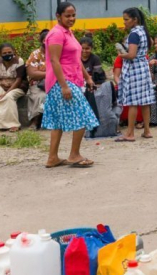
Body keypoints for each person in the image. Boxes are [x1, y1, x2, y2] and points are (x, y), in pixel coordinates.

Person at [42, 2, 99, 168]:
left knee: (58, 121)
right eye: (67, 15)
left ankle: (52, 158)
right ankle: (74, 155)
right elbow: (54, 60)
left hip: (70, 79)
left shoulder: (68, 33)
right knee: (83, 115)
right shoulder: (56, 34)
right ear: (58, 16)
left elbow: (75, 59)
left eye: (73, 15)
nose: (71, 18)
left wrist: (87, 77)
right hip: (62, 81)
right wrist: (64, 86)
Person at [116, 7, 155, 141]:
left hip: (134, 69)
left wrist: (121, 54)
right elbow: (149, 45)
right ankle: (147, 131)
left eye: (126, 20)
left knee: (133, 102)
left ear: (135, 20)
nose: (124, 22)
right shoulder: (144, 31)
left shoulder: (133, 34)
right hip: (143, 67)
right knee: (145, 101)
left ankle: (130, 133)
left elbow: (132, 55)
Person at [113, 44, 144, 129]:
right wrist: (122, 85)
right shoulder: (120, 58)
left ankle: (140, 120)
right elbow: (116, 76)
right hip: (124, 83)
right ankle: (123, 118)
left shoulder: (141, 56)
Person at [25, 29, 49, 130]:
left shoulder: (57, 53)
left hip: (56, 83)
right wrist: (50, 74)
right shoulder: (35, 54)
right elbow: (32, 73)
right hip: (38, 84)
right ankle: (35, 121)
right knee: (41, 96)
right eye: (45, 40)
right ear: (41, 41)